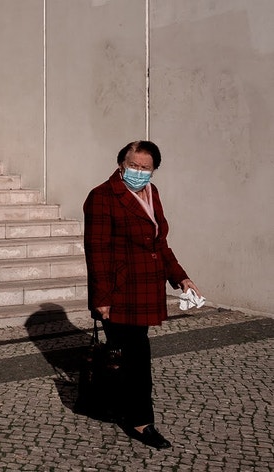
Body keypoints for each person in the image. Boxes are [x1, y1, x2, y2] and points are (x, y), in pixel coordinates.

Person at [83, 140, 202, 449]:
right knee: (135, 357)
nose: (138, 171)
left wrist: (181, 278)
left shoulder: (152, 193)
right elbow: (96, 252)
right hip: (119, 291)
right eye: (133, 165)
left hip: (146, 289)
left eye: (145, 167)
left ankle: (111, 404)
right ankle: (141, 422)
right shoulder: (102, 196)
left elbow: (159, 243)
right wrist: (102, 299)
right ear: (121, 163)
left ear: (153, 170)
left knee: (129, 356)